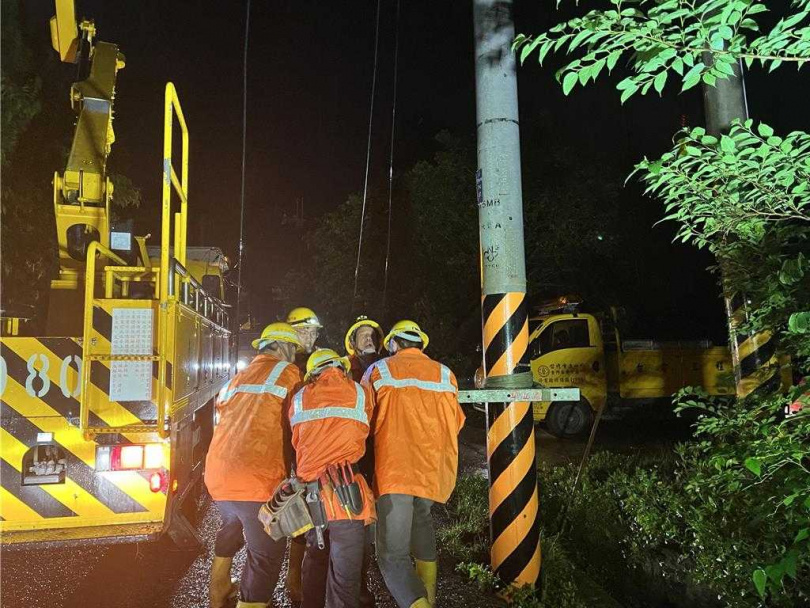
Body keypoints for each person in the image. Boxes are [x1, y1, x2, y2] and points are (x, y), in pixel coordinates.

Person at [363, 320, 465, 608]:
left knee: (392, 557)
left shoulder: (379, 370)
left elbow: (363, 419)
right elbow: (455, 422)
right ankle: (429, 599)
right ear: (420, 343)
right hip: (432, 471)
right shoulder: (445, 373)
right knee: (421, 522)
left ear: (394, 343)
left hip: (394, 470)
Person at [205, 323, 303, 608]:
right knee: (266, 555)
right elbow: (300, 422)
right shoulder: (288, 374)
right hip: (257, 479)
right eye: (293, 350)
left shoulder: (238, 377)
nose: (295, 356)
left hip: (219, 476)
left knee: (232, 524)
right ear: (283, 347)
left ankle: (218, 590)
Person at [290, 349, 375, 608]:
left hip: (312, 497)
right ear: (343, 369)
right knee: (345, 578)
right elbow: (366, 429)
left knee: (315, 563)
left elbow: (296, 437)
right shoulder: (361, 393)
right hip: (348, 495)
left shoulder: (300, 397)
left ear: (311, 374)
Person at [284, 306, 324, 605]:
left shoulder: (318, 359)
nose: (310, 336)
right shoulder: (286, 363)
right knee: (298, 519)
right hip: (292, 445)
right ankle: (293, 577)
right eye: (305, 330)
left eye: (313, 331)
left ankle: (301, 578)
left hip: (312, 446)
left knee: (311, 517)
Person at [344, 316, 384, 382]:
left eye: (372, 335)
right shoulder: (345, 366)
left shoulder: (387, 363)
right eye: (362, 335)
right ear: (352, 343)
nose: (369, 338)